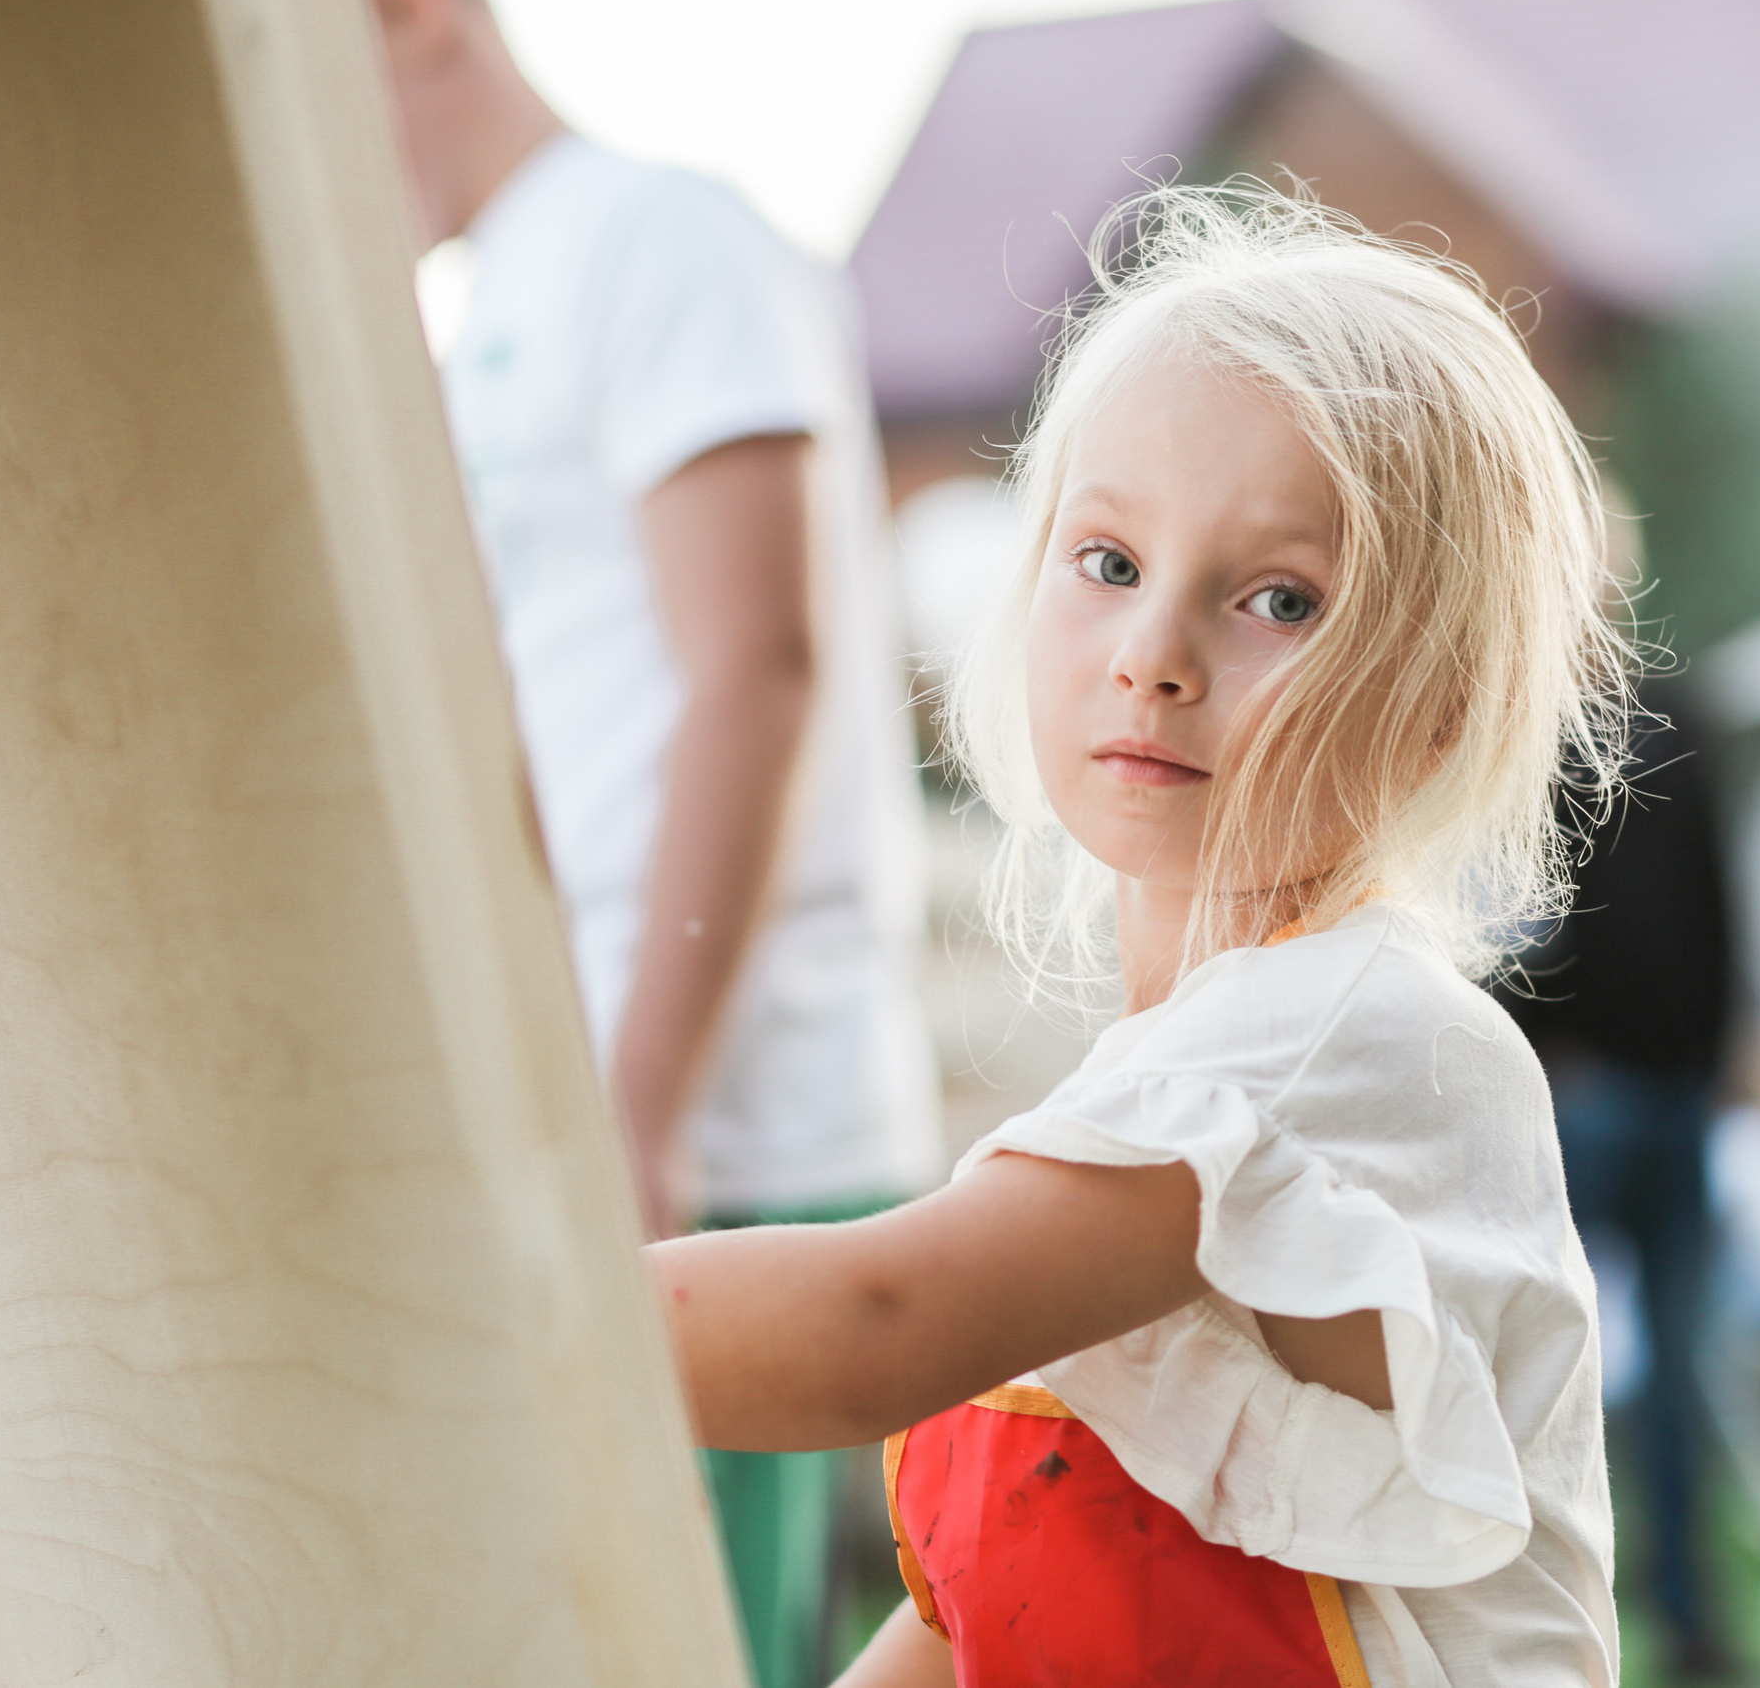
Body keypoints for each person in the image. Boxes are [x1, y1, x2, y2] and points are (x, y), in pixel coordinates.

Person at [652, 186, 1627, 1687]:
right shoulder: (1155, 1088)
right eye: (1108, 563)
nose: (1154, 656)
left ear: (1437, 706)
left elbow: (878, 1318)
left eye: (1279, 599)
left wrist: (474, 1300)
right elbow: (974, 1609)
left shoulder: (1351, 1035)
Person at [370, 0, 943, 1683]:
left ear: (406, 11)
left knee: (697, 1645)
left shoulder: (661, 239)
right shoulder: (493, 300)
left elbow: (759, 666)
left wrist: (642, 1100)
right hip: (610, 1100)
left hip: (725, 1136)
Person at [1498, 685, 1738, 1680]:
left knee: (1684, 1376)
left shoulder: (1677, 718)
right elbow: (1505, 904)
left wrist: (1719, 1058)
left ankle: (1688, 1617)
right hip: (1578, 1095)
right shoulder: (1518, 718)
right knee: (1545, 1379)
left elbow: (1716, 896)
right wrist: (1546, 1045)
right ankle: (1533, 1634)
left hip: (1679, 1096)